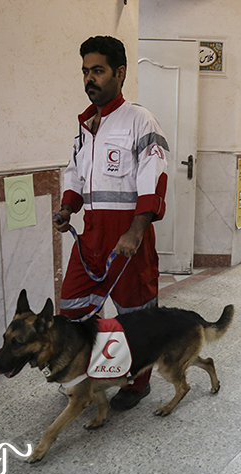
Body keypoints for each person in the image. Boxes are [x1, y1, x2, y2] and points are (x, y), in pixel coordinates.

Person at [53, 35, 169, 410]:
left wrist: (136, 231)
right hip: (91, 237)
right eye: (86, 71)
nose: (90, 78)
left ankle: (137, 384)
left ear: (119, 73)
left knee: (136, 316)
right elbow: (75, 173)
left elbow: (154, 180)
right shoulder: (86, 126)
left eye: (98, 70)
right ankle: (87, 374)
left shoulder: (139, 121)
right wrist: (68, 207)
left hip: (129, 239)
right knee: (72, 306)